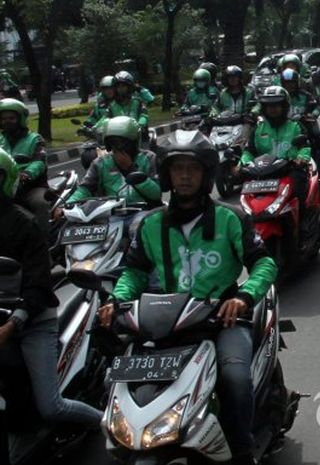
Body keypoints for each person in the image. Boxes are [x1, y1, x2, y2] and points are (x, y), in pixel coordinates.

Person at [97, 129, 277, 465]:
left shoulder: (231, 217)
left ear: (206, 174)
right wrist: (116, 300)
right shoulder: (149, 225)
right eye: (177, 168)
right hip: (166, 321)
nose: (184, 175)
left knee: (235, 379)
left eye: (192, 169)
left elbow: (263, 263)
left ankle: (241, 451)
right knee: (116, 381)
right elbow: (134, 272)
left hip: (221, 319)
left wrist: (244, 297)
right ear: (166, 174)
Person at [0, 149, 103, 444]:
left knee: (51, 405)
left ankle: (107, 421)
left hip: (32, 321)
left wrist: (13, 324)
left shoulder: (23, 224)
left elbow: (37, 284)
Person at [56, 116, 160, 214]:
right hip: (110, 215)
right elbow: (85, 189)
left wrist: (130, 169)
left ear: (133, 142)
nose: (117, 148)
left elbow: (156, 194)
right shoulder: (101, 163)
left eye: (121, 143)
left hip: (143, 212)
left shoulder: (148, 158)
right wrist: (67, 205)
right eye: (113, 143)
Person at [239, 86, 311, 223]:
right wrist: (242, 164)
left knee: (298, 190)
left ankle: (302, 224)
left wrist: (301, 158)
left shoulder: (295, 126)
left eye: (277, 105)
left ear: (284, 106)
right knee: (246, 197)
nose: (273, 109)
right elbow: (249, 151)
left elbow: (305, 147)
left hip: (289, 170)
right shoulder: (258, 128)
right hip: (262, 173)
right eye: (269, 105)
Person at [0, 98, 50, 237]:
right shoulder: (0, 140)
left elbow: (39, 161)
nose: (7, 122)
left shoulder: (35, 139)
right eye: (3, 119)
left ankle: (43, 241)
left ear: (20, 119)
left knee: (40, 203)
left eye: (11, 118)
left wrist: (27, 173)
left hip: (30, 186)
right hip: (5, 185)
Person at [280, 69, 320, 172]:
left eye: (292, 83)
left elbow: (316, 107)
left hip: (304, 124)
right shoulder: (280, 97)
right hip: (285, 126)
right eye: (286, 83)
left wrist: (311, 115)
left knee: (316, 133)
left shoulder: (305, 95)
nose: (289, 86)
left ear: (297, 83)